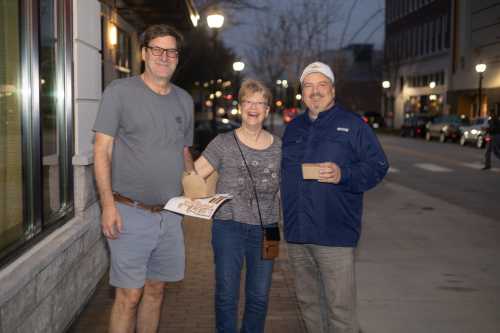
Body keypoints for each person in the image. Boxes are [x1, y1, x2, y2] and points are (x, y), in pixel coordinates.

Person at [93, 24, 194, 333]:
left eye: (171, 51)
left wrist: (197, 189)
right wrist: (108, 206)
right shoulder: (119, 93)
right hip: (128, 211)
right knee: (129, 296)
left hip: (170, 214)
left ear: (177, 57)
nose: (164, 57)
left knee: (155, 290)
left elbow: (184, 152)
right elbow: (101, 151)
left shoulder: (184, 100)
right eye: (157, 50)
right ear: (144, 53)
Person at [281, 62, 389, 333]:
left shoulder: (352, 125)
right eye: (308, 86)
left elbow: (378, 165)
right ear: (301, 92)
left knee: (340, 311)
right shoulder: (293, 128)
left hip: (335, 235)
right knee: (308, 305)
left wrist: (344, 174)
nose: (315, 92)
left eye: (321, 85)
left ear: (332, 89)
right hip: (297, 235)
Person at [192, 79, 281, 333]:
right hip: (228, 228)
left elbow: (288, 190)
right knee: (226, 296)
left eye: (260, 102)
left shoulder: (280, 148)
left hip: (269, 229)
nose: (254, 107)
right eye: (248, 102)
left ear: (267, 110)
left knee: (260, 297)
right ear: (240, 107)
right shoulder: (223, 143)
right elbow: (196, 175)